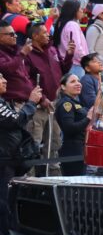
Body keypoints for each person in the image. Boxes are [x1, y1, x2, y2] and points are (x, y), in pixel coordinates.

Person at [0, 74, 43, 235]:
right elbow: (15, 120)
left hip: (9, 159)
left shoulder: (3, 101)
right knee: (1, 204)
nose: (4, 80)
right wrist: (31, 103)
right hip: (3, 160)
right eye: (0, 78)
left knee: (7, 202)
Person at [22, 24, 69, 176]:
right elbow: (25, 79)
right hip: (37, 107)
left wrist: (68, 55)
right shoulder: (28, 54)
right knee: (34, 143)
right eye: (44, 33)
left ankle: (53, 176)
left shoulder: (52, 50)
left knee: (54, 143)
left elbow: (63, 70)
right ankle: (29, 181)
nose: (48, 35)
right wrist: (41, 98)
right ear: (34, 36)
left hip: (54, 104)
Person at [54, 72, 92, 176]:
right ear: (63, 87)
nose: (78, 83)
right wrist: (88, 118)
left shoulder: (75, 102)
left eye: (79, 81)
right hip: (72, 150)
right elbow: (69, 128)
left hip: (79, 147)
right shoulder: (66, 104)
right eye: (73, 81)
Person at [53, 0, 87, 77]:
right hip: (76, 64)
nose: (82, 11)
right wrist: (86, 61)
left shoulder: (60, 23)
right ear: (74, 11)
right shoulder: (72, 24)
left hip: (66, 62)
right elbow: (77, 48)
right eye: (80, 9)